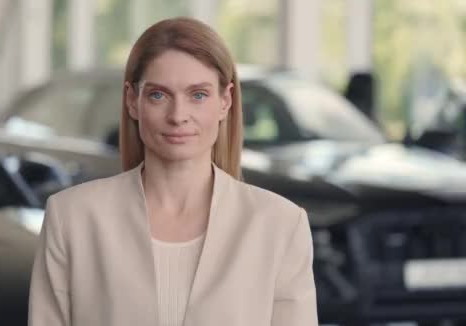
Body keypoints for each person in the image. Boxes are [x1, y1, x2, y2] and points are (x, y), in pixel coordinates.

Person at [28, 17, 318, 326]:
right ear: (132, 101)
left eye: (198, 95)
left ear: (225, 101)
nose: (178, 115)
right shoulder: (72, 218)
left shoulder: (281, 226)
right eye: (158, 95)